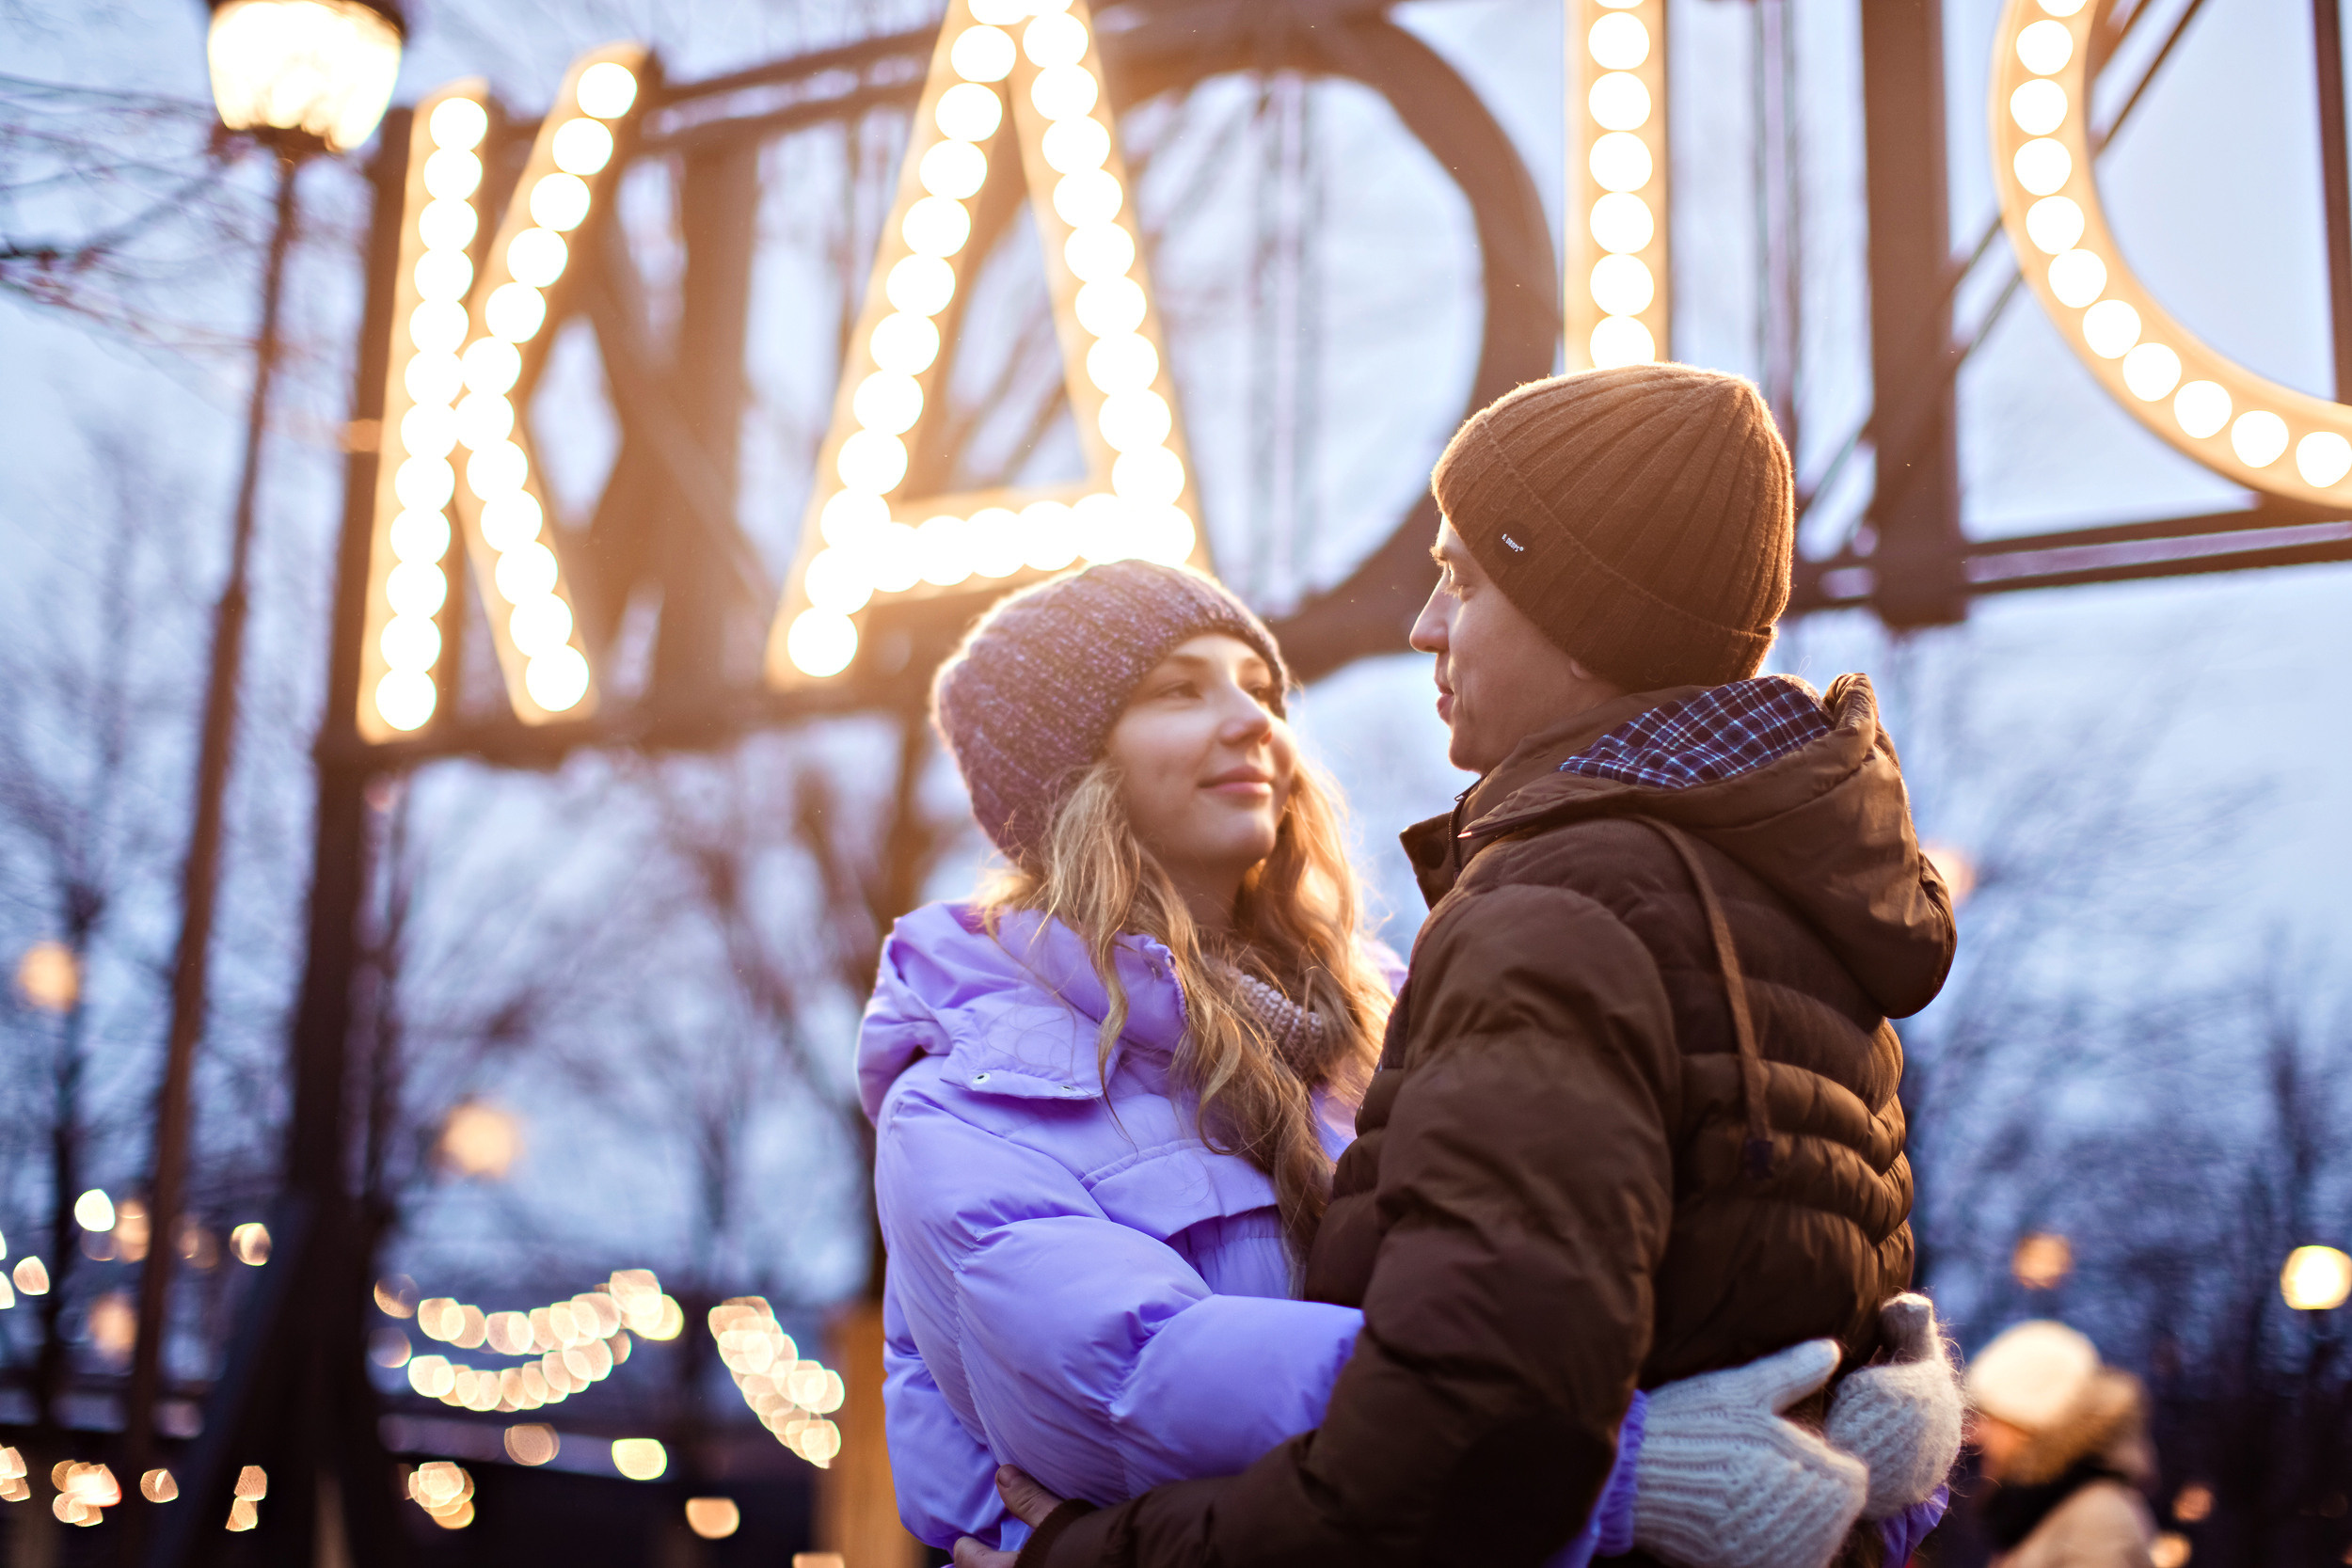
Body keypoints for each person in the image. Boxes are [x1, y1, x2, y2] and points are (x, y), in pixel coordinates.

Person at [963, 363, 1963, 1568]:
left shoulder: (1561, 912)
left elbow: (1458, 1454)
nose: (1424, 624)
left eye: (1463, 578)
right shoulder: (1780, 891)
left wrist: (1094, 1553)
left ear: (1581, 614)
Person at [1963, 1322, 2158, 1568]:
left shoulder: (2097, 1518)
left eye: (1991, 1419)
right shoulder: (2044, 1511)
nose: (1976, 1435)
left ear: (2029, 1425)